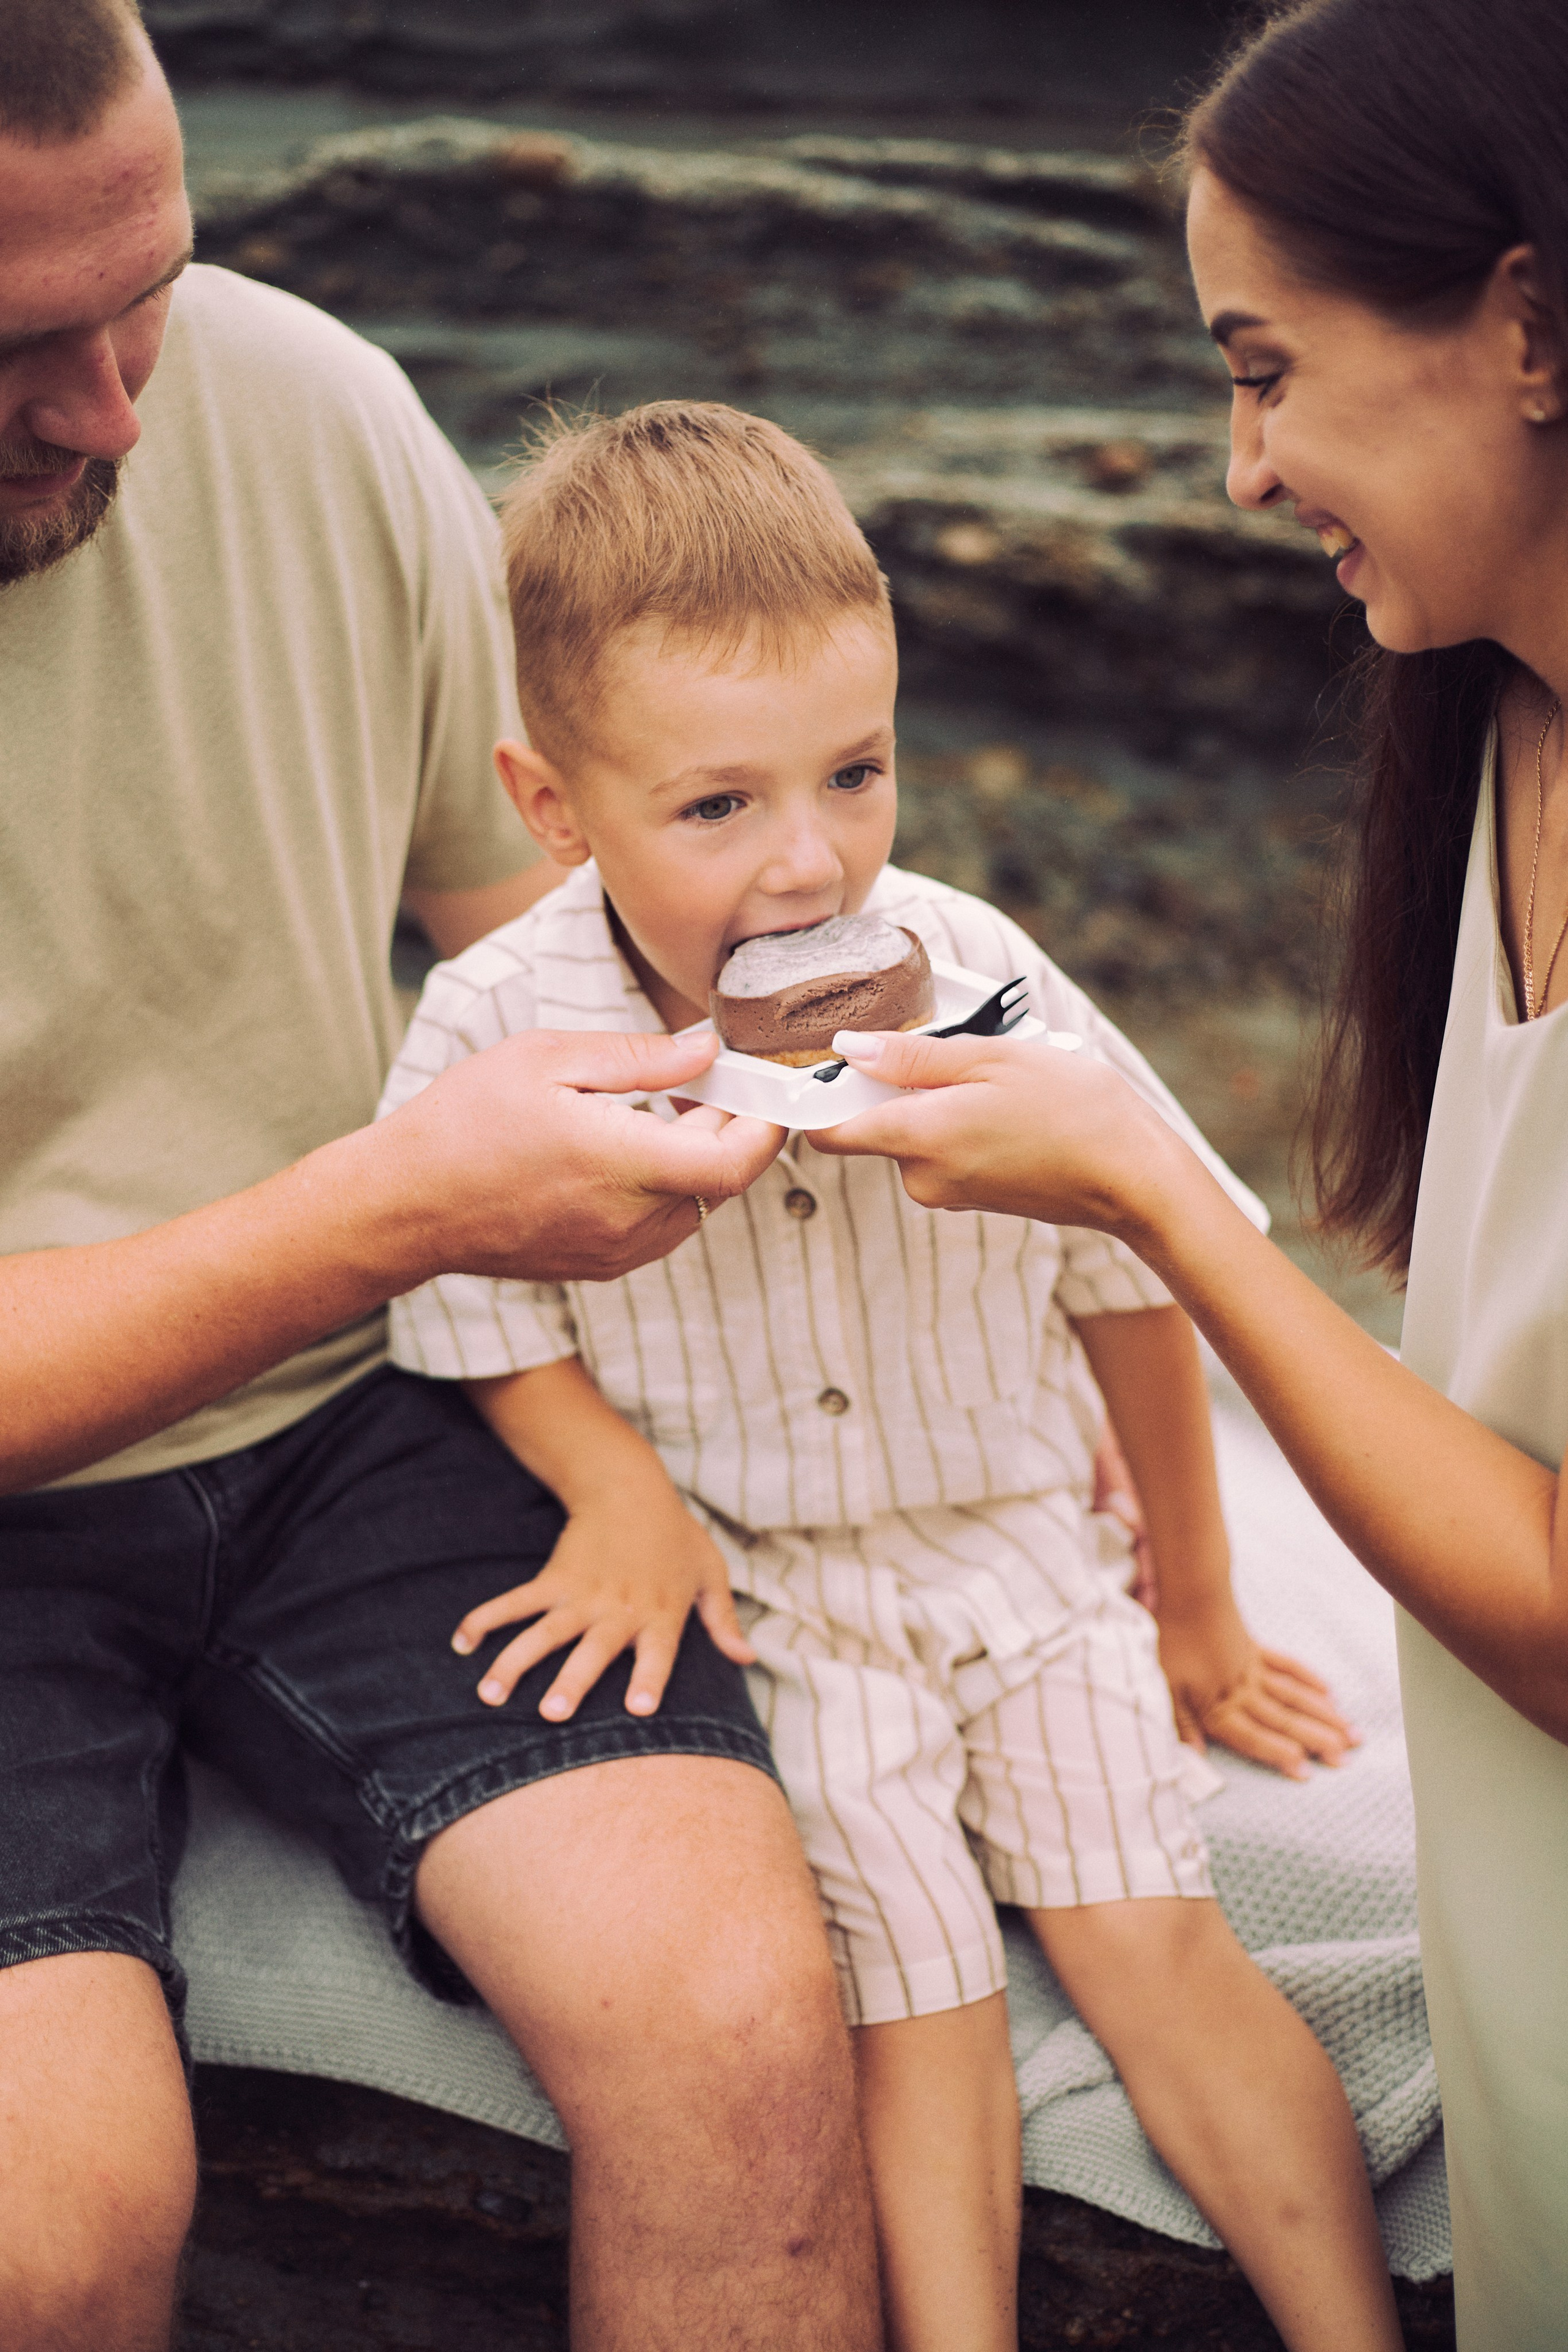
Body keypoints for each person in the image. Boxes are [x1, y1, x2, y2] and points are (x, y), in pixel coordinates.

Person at [0, 12, 883, 2350]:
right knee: (47, 2236)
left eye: (145, 296)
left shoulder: (303, 405)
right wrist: (395, 1208)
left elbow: (536, 933)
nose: (111, 414)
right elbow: (411, 1190)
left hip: (370, 1413)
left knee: (736, 2038)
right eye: (12, 348)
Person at [377, 399, 1399, 2352]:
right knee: (911, 1999)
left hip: (1022, 1550)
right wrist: (618, 1489)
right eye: (716, 806)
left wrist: (1193, 1601)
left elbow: (1135, 1266)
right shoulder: (504, 1028)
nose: (808, 861)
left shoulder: (976, 973)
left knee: (1156, 1943)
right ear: (552, 803)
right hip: (777, 1604)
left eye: (857, 772)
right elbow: (465, 1303)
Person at [810, 2, 1568, 2344]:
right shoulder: (1498, 732)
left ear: (1531, 326)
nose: (1240, 469)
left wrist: (1158, 1191)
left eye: (1267, 369)